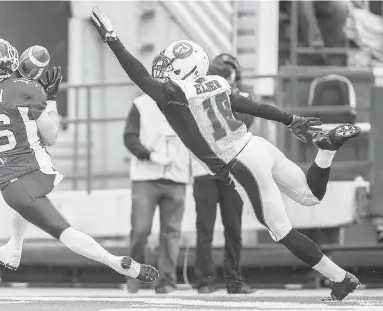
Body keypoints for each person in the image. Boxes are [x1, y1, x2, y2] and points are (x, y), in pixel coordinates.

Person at [90, 7, 361, 301]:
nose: (164, 66)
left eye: (170, 62)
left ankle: (341, 279)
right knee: (310, 196)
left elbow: (138, 74)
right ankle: (326, 152)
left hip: (241, 161)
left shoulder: (174, 95)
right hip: (258, 145)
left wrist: (113, 38)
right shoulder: (217, 83)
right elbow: (252, 106)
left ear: (186, 67)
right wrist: (290, 119)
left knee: (280, 230)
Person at [0, 38, 158, 284]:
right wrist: (49, 99)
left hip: (15, 178)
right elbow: (50, 136)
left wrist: (19, 78)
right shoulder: (26, 90)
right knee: (45, 220)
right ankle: (18, 250)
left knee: (45, 220)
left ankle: (112, 262)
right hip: (34, 170)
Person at [123, 62, 191, 293]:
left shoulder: (187, 104)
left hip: (177, 176)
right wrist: (150, 155)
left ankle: (167, 281)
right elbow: (130, 138)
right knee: (140, 230)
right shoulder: (141, 104)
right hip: (146, 177)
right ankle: (133, 276)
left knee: (171, 234)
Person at [192, 53, 255, 294]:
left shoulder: (240, 97)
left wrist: (230, 94)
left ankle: (234, 280)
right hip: (204, 171)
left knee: (233, 227)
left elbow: (243, 122)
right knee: (205, 230)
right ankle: (204, 281)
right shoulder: (198, 99)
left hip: (232, 171)